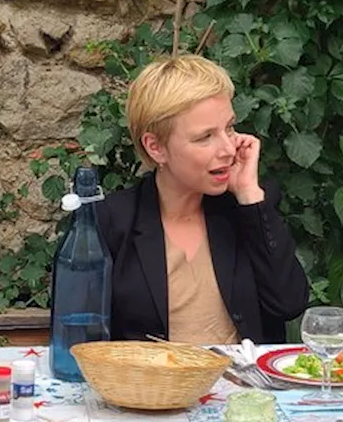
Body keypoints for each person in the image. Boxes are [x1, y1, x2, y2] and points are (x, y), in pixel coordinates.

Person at [95, 55, 309, 344]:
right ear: (156, 147)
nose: (228, 149)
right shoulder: (109, 222)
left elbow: (289, 304)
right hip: (151, 386)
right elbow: (85, 338)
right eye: (205, 137)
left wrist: (249, 195)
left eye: (230, 128)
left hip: (243, 388)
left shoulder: (245, 210)